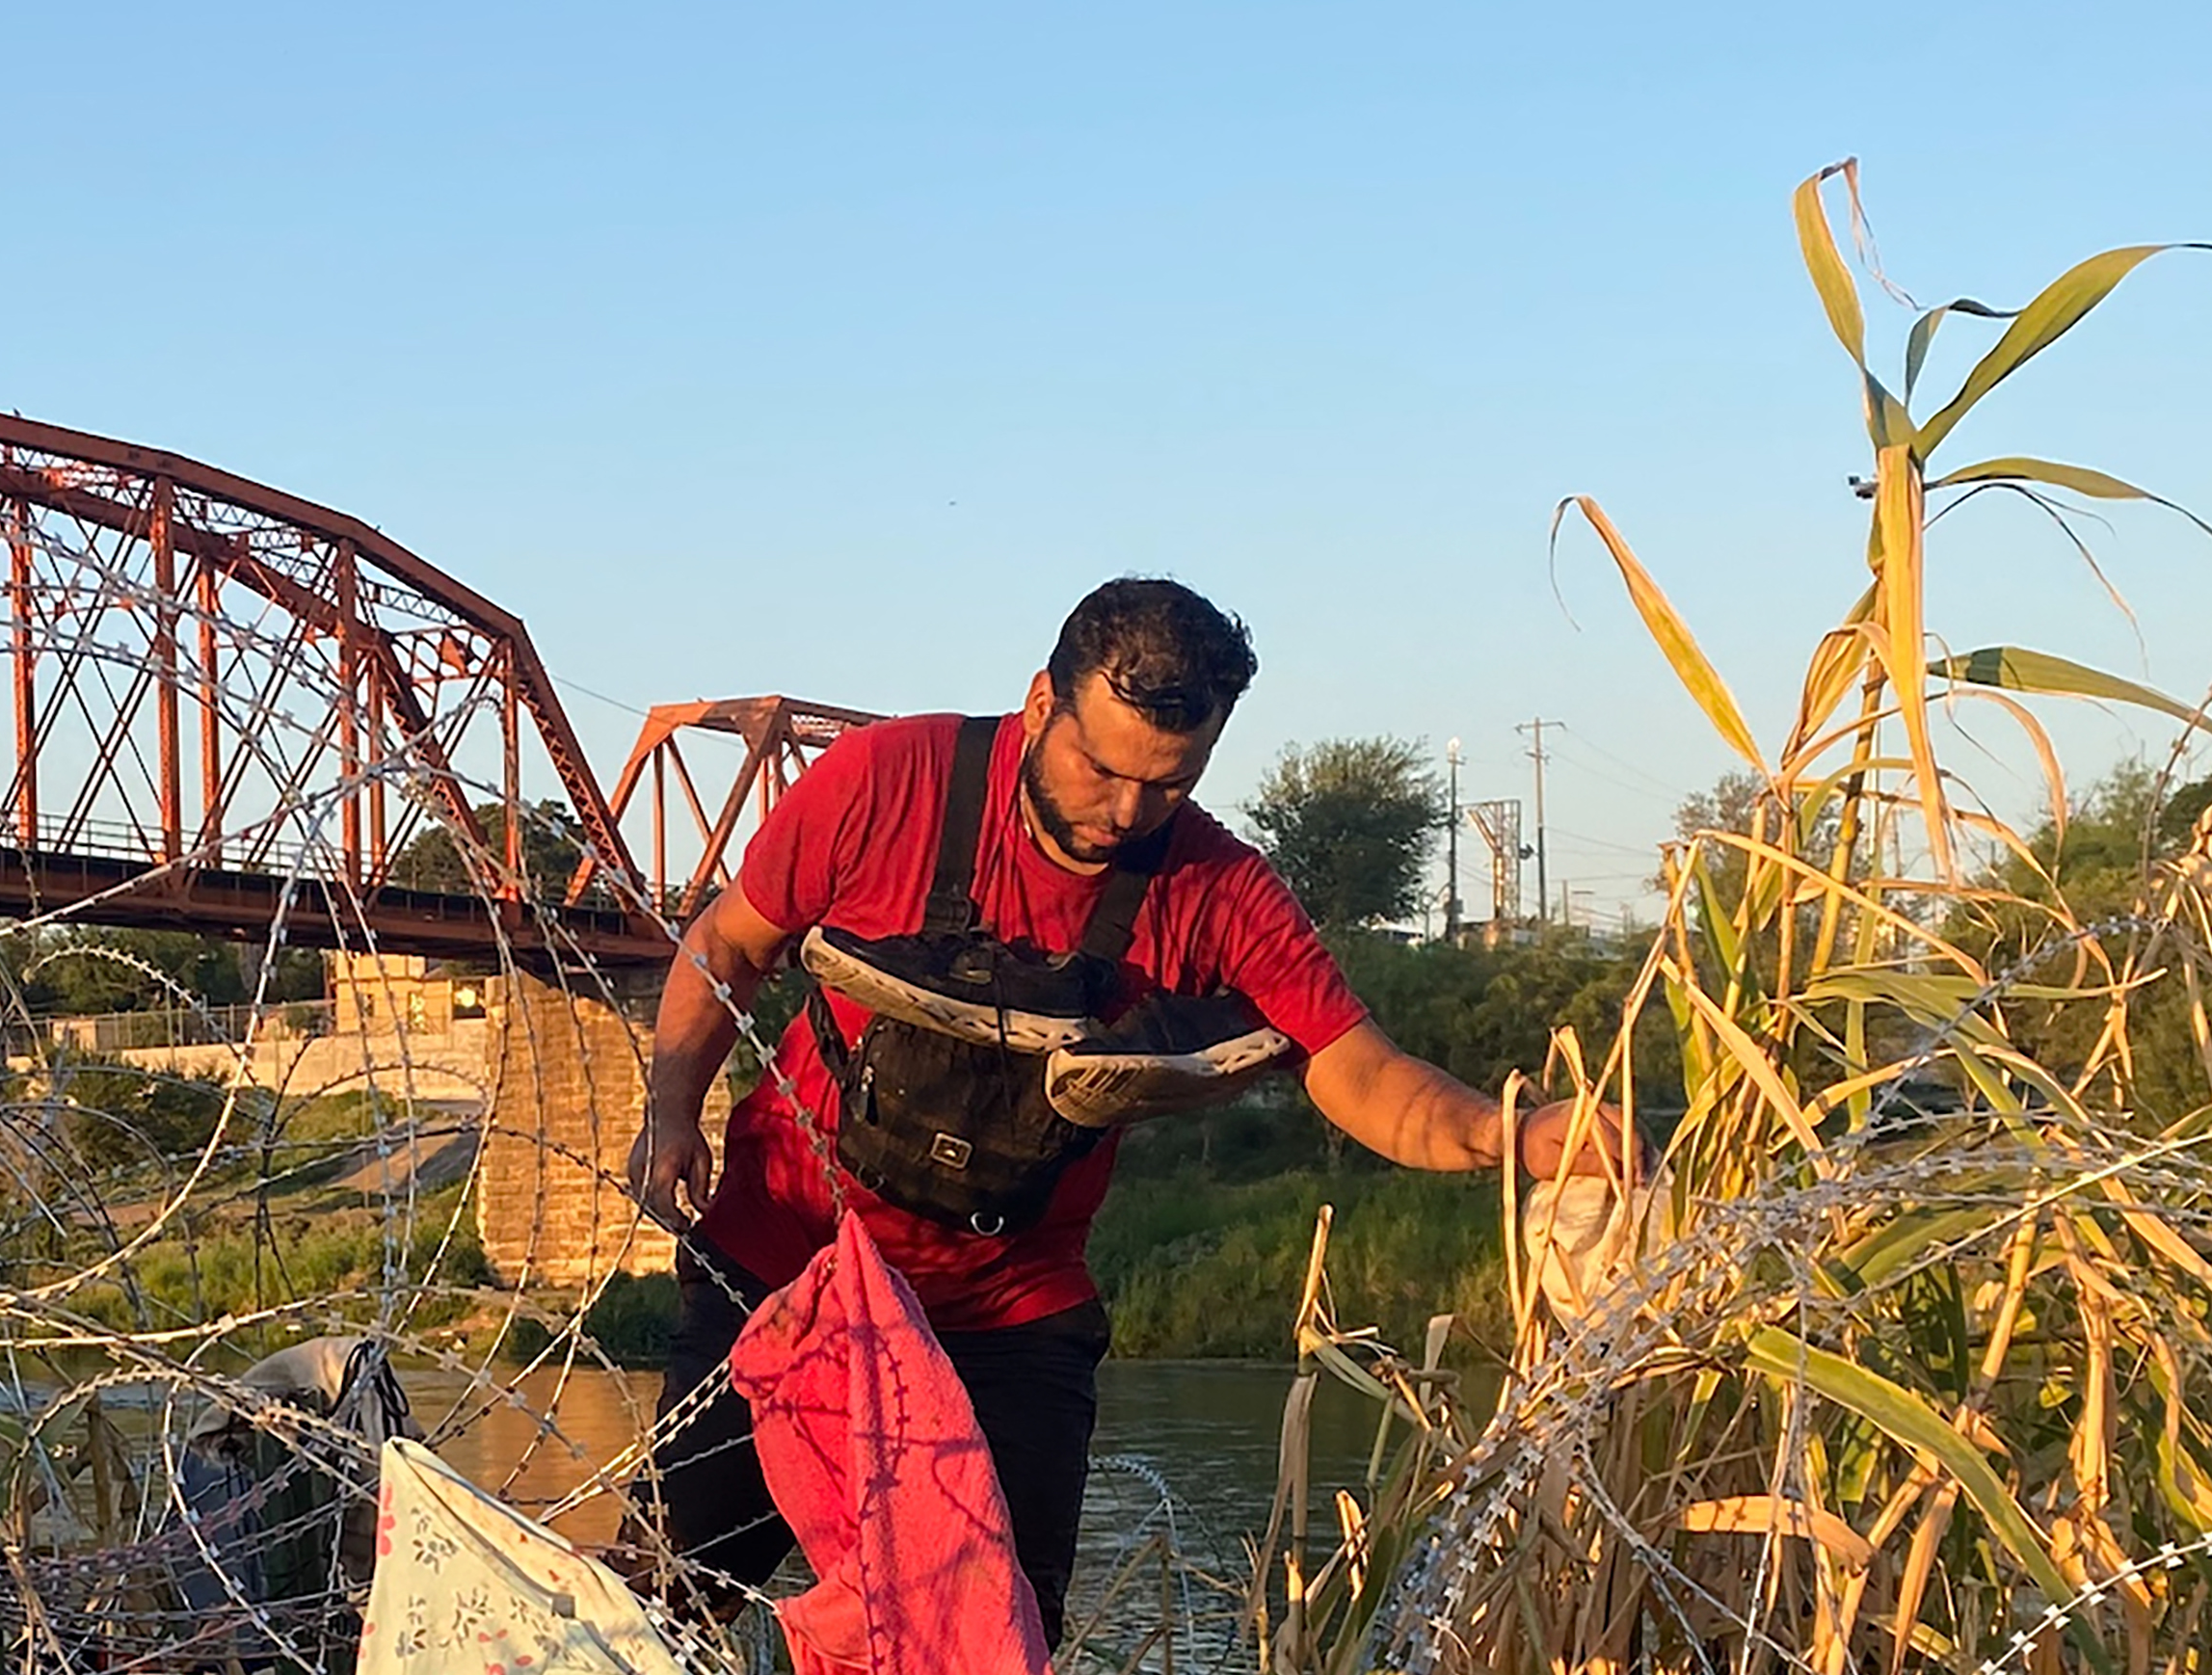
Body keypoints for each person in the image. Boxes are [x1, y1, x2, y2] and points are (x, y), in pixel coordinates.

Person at [624, 576, 1610, 1618]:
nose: (1129, 811)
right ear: (1041, 703)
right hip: (785, 1262)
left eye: (1170, 785)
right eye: (1102, 769)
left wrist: (1521, 1134)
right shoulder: (888, 780)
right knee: (662, 1609)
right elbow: (730, 944)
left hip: (1005, 1313)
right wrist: (672, 1110)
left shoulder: (1217, 888)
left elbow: (1360, 1071)